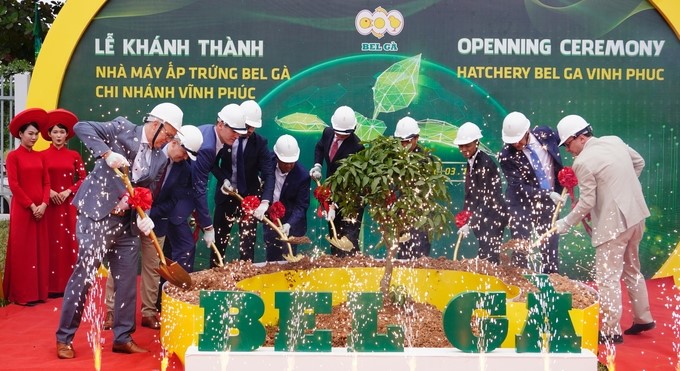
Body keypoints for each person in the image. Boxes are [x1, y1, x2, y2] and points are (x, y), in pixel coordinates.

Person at [55, 102, 183, 359]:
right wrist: (106, 154)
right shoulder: (122, 129)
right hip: (96, 216)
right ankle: (64, 338)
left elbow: (144, 190)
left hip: (126, 225)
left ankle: (123, 337)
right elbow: (82, 127)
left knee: (126, 282)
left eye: (172, 138)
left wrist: (145, 216)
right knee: (85, 275)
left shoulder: (159, 158)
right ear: (156, 125)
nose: (168, 141)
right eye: (168, 135)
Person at [554, 114, 654, 344]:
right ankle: (643, 317)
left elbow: (587, 202)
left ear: (579, 137)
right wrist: (621, 189)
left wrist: (566, 222)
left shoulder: (582, 163)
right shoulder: (614, 141)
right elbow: (639, 163)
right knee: (632, 268)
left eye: (568, 144)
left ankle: (610, 330)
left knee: (607, 277)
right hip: (636, 215)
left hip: (613, 226)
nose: (568, 150)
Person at [103, 125, 204, 331]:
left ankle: (148, 312)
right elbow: (127, 181)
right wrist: (137, 208)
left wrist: (149, 214)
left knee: (153, 267)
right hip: (128, 216)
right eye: (184, 153)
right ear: (174, 143)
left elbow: (176, 199)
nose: (185, 158)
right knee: (119, 265)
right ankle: (112, 311)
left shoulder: (184, 169)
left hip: (157, 222)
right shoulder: (148, 152)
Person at [498, 111, 564, 273]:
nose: (516, 144)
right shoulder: (506, 155)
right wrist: (547, 194)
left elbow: (567, 144)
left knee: (550, 244)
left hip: (549, 202)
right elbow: (518, 187)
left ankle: (552, 282)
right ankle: (520, 283)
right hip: (520, 204)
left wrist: (562, 185)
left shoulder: (546, 134)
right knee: (521, 247)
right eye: (511, 142)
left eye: (518, 140)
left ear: (527, 131)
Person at [212, 100, 274, 263]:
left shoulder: (260, 143)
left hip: (249, 201)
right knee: (219, 242)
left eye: (253, 127)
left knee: (247, 245)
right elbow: (212, 163)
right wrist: (223, 179)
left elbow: (268, 172)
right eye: (247, 126)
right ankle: (214, 278)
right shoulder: (225, 138)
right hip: (225, 198)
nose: (250, 130)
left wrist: (265, 201)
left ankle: (245, 280)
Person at [3, 108, 51, 306]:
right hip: (23, 210)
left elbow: (47, 183)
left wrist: (44, 204)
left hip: (41, 209)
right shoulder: (13, 157)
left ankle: (39, 293)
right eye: (30, 134)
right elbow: (14, 184)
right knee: (23, 250)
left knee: (39, 250)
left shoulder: (40, 157)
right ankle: (22, 294)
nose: (34, 137)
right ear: (20, 134)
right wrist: (32, 206)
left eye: (36, 134)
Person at [192, 103, 248, 266]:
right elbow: (199, 188)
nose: (236, 136)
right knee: (184, 248)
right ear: (221, 124)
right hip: (178, 196)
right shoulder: (208, 147)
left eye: (239, 133)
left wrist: (224, 178)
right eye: (234, 131)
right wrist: (208, 227)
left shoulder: (213, 134)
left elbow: (211, 166)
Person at [40, 109, 87, 298]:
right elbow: (37, 178)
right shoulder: (41, 155)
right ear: (49, 134)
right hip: (48, 205)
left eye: (62, 132)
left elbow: (84, 178)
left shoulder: (74, 155)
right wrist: (49, 192)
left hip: (68, 205)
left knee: (68, 242)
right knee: (49, 242)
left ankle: (69, 285)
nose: (59, 136)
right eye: (55, 132)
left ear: (67, 134)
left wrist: (69, 190)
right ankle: (48, 286)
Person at [310, 106, 365, 256]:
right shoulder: (328, 133)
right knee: (335, 235)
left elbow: (354, 185)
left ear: (352, 130)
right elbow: (320, 147)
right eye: (337, 133)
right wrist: (318, 166)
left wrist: (335, 204)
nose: (339, 136)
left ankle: (353, 269)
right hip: (331, 190)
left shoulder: (358, 148)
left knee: (348, 240)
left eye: (344, 134)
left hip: (350, 201)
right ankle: (336, 264)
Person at [453, 122, 508, 264]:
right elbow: (470, 194)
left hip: (494, 217)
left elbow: (489, 199)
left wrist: (470, 222)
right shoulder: (471, 161)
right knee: (484, 254)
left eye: (468, 145)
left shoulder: (486, 163)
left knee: (489, 257)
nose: (464, 149)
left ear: (477, 142)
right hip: (482, 217)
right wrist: (465, 216)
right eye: (461, 146)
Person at [257, 135, 310, 261]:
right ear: (277, 156)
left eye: (292, 162)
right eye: (286, 162)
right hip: (270, 218)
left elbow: (301, 206)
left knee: (288, 259)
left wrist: (288, 224)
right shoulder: (267, 161)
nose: (289, 166)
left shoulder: (302, 176)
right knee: (272, 256)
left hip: (290, 222)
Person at [392, 116, 431, 259]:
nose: (404, 146)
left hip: (419, 215)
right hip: (399, 216)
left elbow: (424, 192)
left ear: (416, 138)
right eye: (401, 142)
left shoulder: (425, 159)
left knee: (419, 251)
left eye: (407, 142)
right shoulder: (392, 157)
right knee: (402, 253)